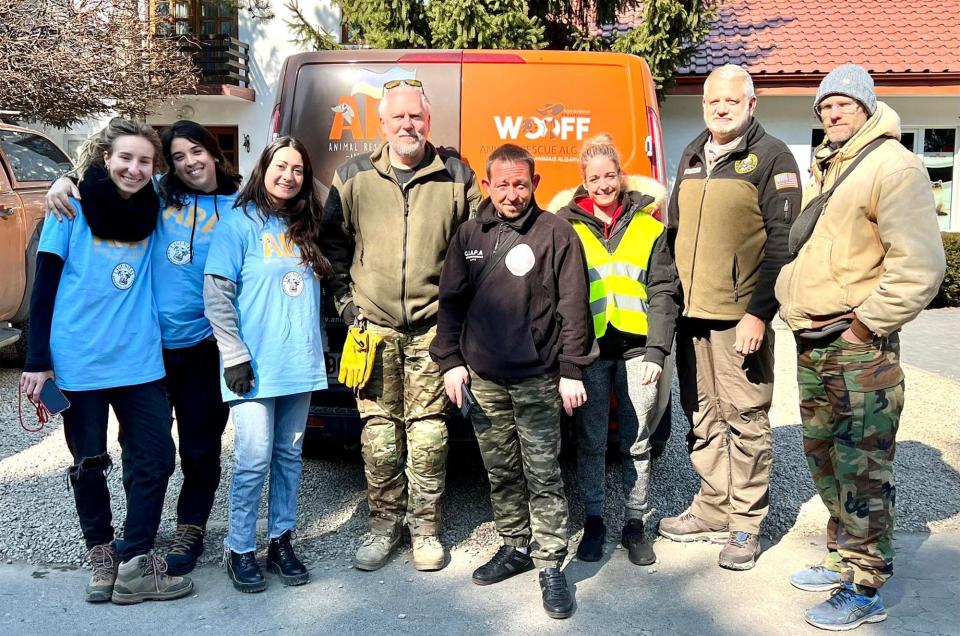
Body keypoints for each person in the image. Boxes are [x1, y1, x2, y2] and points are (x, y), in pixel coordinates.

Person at [775, 65, 946, 630]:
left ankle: (866, 589)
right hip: (817, 342)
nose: (833, 113)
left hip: (856, 347)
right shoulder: (836, 165)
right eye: (825, 106)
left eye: (845, 103)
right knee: (826, 458)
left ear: (869, 106)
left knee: (863, 469)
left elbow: (920, 266)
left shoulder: (893, 166)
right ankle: (842, 558)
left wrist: (865, 327)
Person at [43, 120, 241, 575]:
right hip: (147, 346)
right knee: (141, 448)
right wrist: (66, 178)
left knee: (199, 445)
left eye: (197, 151)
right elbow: (108, 177)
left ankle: (191, 526)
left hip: (203, 345)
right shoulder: (157, 193)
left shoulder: (240, 204)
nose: (189, 162)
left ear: (214, 152)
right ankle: (136, 542)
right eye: (177, 156)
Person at [20, 118, 192, 604]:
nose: (134, 169)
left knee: (156, 457)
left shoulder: (154, 207)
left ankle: (136, 560)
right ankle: (100, 553)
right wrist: (38, 362)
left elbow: (201, 180)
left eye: (144, 161)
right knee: (89, 462)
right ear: (104, 158)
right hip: (79, 363)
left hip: (139, 362)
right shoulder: (68, 207)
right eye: (125, 159)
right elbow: (43, 290)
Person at [321, 80, 481, 572]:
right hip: (374, 330)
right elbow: (332, 250)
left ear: (428, 122)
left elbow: (479, 245)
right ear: (383, 124)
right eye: (398, 118)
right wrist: (350, 309)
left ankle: (425, 530)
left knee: (430, 437)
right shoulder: (353, 176)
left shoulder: (456, 175)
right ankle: (382, 527)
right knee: (379, 437)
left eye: (416, 117)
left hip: (435, 330)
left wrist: (461, 316)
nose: (408, 125)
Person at [430, 144, 595, 619]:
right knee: (500, 470)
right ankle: (515, 545)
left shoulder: (556, 233)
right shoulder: (468, 235)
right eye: (501, 184)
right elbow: (451, 302)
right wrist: (450, 361)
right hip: (482, 378)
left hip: (540, 378)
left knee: (543, 474)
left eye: (520, 183)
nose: (511, 193)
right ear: (486, 186)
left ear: (535, 184)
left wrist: (571, 369)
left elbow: (573, 306)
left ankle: (549, 565)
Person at [659, 64, 802, 570]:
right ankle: (712, 507)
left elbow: (784, 243)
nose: (720, 108)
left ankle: (745, 525)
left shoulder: (772, 157)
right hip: (692, 315)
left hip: (740, 318)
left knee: (745, 420)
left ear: (751, 103)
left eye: (731, 101)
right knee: (702, 417)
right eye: (712, 101)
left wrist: (760, 314)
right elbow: (675, 230)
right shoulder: (694, 152)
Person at [204, 137, 331, 593]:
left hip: (299, 361)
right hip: (252, 366)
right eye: (281, 166)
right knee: (254, 459)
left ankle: (280, 540)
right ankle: (239, 547)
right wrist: (234, 355)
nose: (288, 176)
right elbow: (216, 295)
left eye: (298, 169)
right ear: (264, 167)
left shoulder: (307, 223)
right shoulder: (238, 223)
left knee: (288, 458)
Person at [553, 135, 680, 566]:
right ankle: (593, 521)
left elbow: (663, 291)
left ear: (621, 177)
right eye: (594, 178)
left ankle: (634, 522)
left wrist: (658, 352)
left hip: (638, 351)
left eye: (610, 175)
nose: (604, 185)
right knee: (589, 442)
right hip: (589, 351)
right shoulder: (566, 227)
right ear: (583, 182)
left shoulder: (650, 226)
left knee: (637, 441)